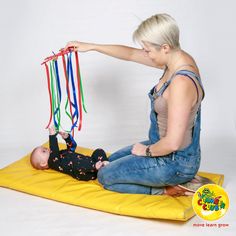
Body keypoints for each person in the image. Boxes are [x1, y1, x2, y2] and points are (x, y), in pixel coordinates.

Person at [65, 13, 205, 196]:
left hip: (175, 162)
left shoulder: (181, 83)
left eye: (147, 50)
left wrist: (146, 151)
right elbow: (130, 54)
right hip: (162, 147)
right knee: (109, 160)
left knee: (105, 176)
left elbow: (172, 143)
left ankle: (169, 189)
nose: (145, 55)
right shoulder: (176, 58)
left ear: (165, 47)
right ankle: (170, 178)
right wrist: (91, 47)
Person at [30, 126, 109, 181]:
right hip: (84, 172)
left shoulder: (61, 154)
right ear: (43, 163)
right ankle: (98, 167)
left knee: (98, 151)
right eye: (44, 151)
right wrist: (52, 136)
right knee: (78, 164)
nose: (47, 149)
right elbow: (54, 150)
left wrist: (67, 138)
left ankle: (104, 164)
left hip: (91, 162)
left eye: (45, 148)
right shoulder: (53, 163)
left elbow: (72, 148)